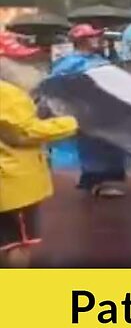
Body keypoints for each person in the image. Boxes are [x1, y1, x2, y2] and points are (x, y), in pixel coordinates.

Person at [0, 78, 78, 267]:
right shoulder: (6, 93)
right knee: (17, 243)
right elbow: (25, 132)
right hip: (11, 183)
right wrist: (71, 122)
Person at [46, 25, 129, 198]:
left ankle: (98, 180)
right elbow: (56, 86)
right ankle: (97, 181)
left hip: (105, 110)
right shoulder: (71, 63)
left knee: (108, 146)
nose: (97, 40)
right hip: (88, 111)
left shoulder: (98, 58)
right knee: (95, 147)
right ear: (81, 40)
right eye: (92, 37)